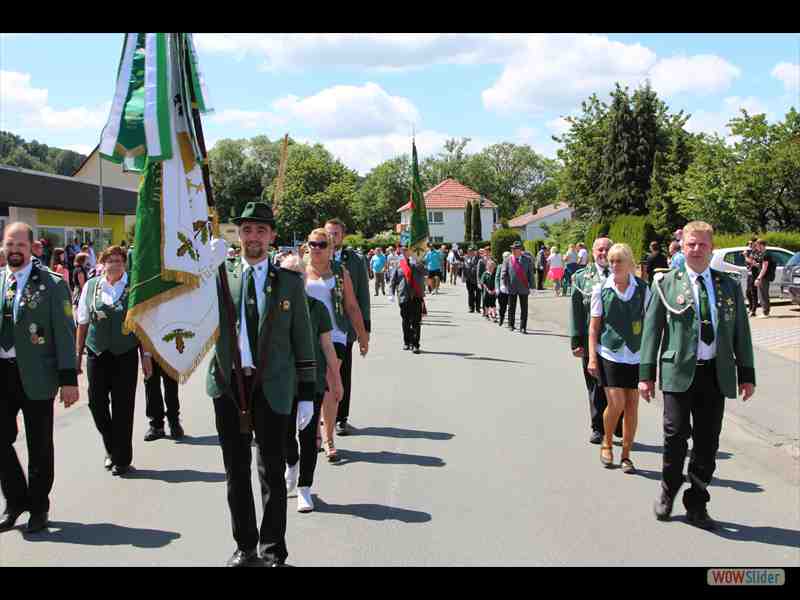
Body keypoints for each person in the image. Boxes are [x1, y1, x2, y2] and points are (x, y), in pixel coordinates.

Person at [207, 202, 318, 567]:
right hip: (229, 383)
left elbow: (303, 337)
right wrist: (198, 265)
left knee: (271, 470)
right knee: (235, 471)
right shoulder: (218, 275)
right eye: (247, 230)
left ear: (272, 236)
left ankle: (273, 549)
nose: (253, 237)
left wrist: (306, 393)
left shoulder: (287, 281)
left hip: (272, 385)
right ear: (238, 235)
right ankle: (245, 545)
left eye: (260, 231)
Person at [640, 221, 755, 530]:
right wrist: (645, 375)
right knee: (675, 436)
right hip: (678, 371)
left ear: (711, 247)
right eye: (691, 244)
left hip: (715, 374)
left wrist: (747, 373)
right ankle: (668, 487)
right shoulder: (665, 283)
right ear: (682, 246)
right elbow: (652, 331)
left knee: (707, 442)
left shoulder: (728, 285)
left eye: (702, 244)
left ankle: (697, 502)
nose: (696, 249)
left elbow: (741, 332)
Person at [0, 222, 79, 534]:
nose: (14, 249)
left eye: (20, 244)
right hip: (2, 373)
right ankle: (17, 499)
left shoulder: (51, 283)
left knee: (39, 444)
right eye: (9, 244)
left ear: (32, 247)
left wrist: (69, 379)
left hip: (37, 375)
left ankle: (38, 506)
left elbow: (64, 331)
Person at [281, 251, 344, 513]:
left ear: (304, 278)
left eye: (297, 275)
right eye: (288, 275)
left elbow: (328, 346)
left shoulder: (317, 308)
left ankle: (305, 487)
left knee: (308, 436)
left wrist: (337, 380)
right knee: (284, 435)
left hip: (311, 381)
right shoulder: (274, 306)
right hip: (281, 383)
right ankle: (291, 463)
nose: (293, 279)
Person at [75, 245, 145, 477]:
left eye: (119, 260)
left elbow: (143, 324)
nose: (114, 263)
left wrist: (146, 357)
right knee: (96, 404)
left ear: (125, 263)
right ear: (102, 263)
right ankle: (112, 445)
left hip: (125, 353)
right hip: (97, 352)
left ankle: (121, 460)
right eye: (110, 260)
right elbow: (83, 322)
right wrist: (78, 356)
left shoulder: (134, 287)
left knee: (123, 407)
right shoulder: (91, 285)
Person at [306, 228, 369, 462]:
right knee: (313, 389)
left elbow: (352, 306)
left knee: (331, 388)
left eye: (322, 245)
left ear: (331, 249)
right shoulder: (299, 273)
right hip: (309, 337)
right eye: (313, 244)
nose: (317, 249)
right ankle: (312, 434)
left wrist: (363, 336)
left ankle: (328, 437)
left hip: (337, 335)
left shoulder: (340, 273)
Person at [587, 243, 649, 473]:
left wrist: (651, 359)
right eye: (611, 261)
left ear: (629, 264)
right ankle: (606, 442)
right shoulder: (601, 289)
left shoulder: (643, 289)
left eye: (618, 261)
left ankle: (626, 455)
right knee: (617, 403)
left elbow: (651, 325)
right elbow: (593, 328)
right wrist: (592, 358)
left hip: (636, 354)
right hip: (610, 353)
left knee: (632, 406)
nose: (613, 265)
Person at [569, 237, 622, 444]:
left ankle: (617, 422)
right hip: (590, 340)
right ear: (593, 252)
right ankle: (598, 426)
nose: (603, 253)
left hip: (618, 342)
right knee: (595, 385)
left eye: (607, 249)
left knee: (618, 384)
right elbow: (575, 311)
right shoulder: (581, 278)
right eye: (599, 249)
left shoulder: (623, 274)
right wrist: (576, 342)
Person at [325, 218, 371, 437]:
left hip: (344, 328)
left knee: (343, 373)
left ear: (343, 235)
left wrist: (364, 330)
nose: (332, 237)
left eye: (335, 233)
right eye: (328, 233)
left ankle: (341, 419)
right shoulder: (313, 256)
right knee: (319, 374)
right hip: (319, 328)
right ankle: (322, 419)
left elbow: (362, 296)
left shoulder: (354, 260)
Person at [389, 244, 427, 353]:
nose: (406, 252)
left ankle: (416, 344)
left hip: (416, 296)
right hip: (404, 297)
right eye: (404, 250)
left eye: (408, 250)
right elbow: (393, 280)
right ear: (401, 252)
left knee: (416, 321)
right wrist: (391, 293)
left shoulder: (418, 263)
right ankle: (407, 342)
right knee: (405, 321)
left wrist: (419, 263)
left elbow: (426, 273)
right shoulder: (398, 264)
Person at [143, 358, 183, 441]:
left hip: (167, 348)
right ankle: (157, 425)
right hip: (149, 347)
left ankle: (174, 421)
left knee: (171, 379)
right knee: (151, 380)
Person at [501, 241, 534, 334]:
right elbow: (504, 272)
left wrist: (532, 286)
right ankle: (511, 324)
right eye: (512, 249)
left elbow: (530, 274)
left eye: (515, 249)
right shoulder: (508, 259)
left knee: (524, 308)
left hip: (523, 287)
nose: (513, 251)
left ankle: (523, 327)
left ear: (520, 250)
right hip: (512, 287)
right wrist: (504, 284)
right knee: (511, 307)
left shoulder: (527, 259)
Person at [753, 239, 775, 319]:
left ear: (761, 245)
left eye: (757, 245)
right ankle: (765, 311)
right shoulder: (763, 254)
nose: (756, 247)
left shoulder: (766, 254)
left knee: (763, 294)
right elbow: (762, 266)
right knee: (761, 294)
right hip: (763, 276)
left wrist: (758, 278)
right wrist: (757, 264)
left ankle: (766, 312)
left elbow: (764, 268)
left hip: (764, 277)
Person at [743, 237, 761, 317]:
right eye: (749, 244)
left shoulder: (757, 253)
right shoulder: (751, 253)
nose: (749, 245)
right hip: (749, 274)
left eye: (751, 243)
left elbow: (754, 263)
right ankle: (750, 308)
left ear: (755, 244)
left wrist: (745, 256)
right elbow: (748, 263)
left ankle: (753, 310)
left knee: (754, 293)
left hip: (755, 274)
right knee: (748, 293)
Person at [463, 246, 480, 313]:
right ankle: (471, 308)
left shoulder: (478, 258)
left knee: (478, 294)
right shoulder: (466, 258)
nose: (471, 252)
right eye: (469, 251)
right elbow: (464, 267)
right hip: (469, 279)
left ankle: (478, 308)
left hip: (477, 279)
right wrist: (464, 277)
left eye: (472, 251)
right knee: (470, 294)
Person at [495, 251, 510, 327]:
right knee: (502, 307)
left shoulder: (512, 265)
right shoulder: (500, 266)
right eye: (505, 257)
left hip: (510, 289)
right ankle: (501, 318)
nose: (507, 258)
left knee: (511, 306)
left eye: (508, 256)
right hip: (502, 289)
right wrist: (497, 288)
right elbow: (497, 278)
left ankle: (511, 321)